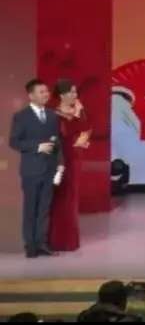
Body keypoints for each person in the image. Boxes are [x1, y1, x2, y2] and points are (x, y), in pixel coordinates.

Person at [8, 79, 64, 259]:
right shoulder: (21, 116)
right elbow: (14, 142)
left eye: (47, 91)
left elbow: (57, 141)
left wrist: (60, 163)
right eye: (41, 92)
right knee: (30, 209)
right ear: (31, 95)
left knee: (44, 209)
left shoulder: (53, 115)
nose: (46, 94)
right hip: (31, 170)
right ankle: (30, 246)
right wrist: (37, 147)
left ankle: (42, 243)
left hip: (49, 169)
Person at [48, 79, 91, 252]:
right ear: (61, 95)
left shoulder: (78, 110)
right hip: (61, 158)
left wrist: (82, 139)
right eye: (71, 92)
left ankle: (69, 240)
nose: (75, 95)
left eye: (75, 92)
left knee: (71, 197)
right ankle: (59, 240)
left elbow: (86, 130)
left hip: (75, 157)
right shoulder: (55, 114)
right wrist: (76, 116)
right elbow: (64, 133)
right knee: (62, 197)